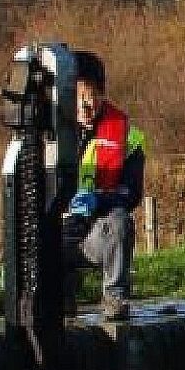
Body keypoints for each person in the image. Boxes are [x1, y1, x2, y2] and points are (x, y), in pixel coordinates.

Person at [61, 51, 146, 321]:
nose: (86, 107)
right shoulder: (46, 135)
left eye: (92, 98)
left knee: (121, 221)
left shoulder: (129, 136)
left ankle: (114, 297)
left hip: (97, 233)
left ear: (102, 95)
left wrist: (98, 200)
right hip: (59, 232)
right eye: (79, 98)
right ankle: (60, 296)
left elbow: (131, 193)